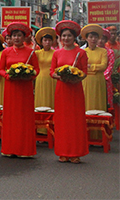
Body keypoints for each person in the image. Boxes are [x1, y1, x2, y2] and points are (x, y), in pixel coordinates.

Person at [0, 22, 39, 158]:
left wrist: (29, 76)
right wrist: (8, 76)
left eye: (19, 35)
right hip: (11, 87)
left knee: (24, 116)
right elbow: (1, 70)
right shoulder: (6, 52)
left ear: (24, 37)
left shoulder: (30, 52)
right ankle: (9, 148)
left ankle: (25, 149)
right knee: (11, 117)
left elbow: (36, 69)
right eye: (14, 36)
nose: (16, 38)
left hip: (25, 87)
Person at [51, 20, 88, 164]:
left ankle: (76, 152)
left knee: (75, 121)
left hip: (75, 89)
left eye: (69, 36)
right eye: (63, 36)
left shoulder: (81, 53)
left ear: (74, 37)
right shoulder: (57, 53)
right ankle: (63, 151)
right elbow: (52, 71)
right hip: (61, 89)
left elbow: (84, 72)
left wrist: (75, 78)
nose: (66, 39)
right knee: (62, 121)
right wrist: (61, 76)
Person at [81, 24, 108, 140]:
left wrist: (90, 66)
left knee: (98, 104)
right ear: (86, 38)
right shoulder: (82, 51)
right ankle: (85, 133)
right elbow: (82, 66)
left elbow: (103, 66)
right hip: (85, 81)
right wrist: (94, 68)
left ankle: (98, 135)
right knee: (86, 104)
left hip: (98, 82)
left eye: (95, 37)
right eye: (91, 37)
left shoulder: (103, 51)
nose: (93, 39)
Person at [34, 27, 57, 109]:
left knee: (52, 97)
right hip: (41, 78)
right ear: (41, 42)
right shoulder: (37, 53)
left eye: (49, 40)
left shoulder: (56, 53)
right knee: (41, 97)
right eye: (45, 40)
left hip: (52, 78)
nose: (47, 42)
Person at [98, 29, 115, 108]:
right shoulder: (89, 51)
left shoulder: (110, 52)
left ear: (106, 40)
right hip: (92, 80)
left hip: (105, 81)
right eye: (99, 38)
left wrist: (102, 77)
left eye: (103, 39)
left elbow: (110, 67)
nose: (100, 41)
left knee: (106, 102)